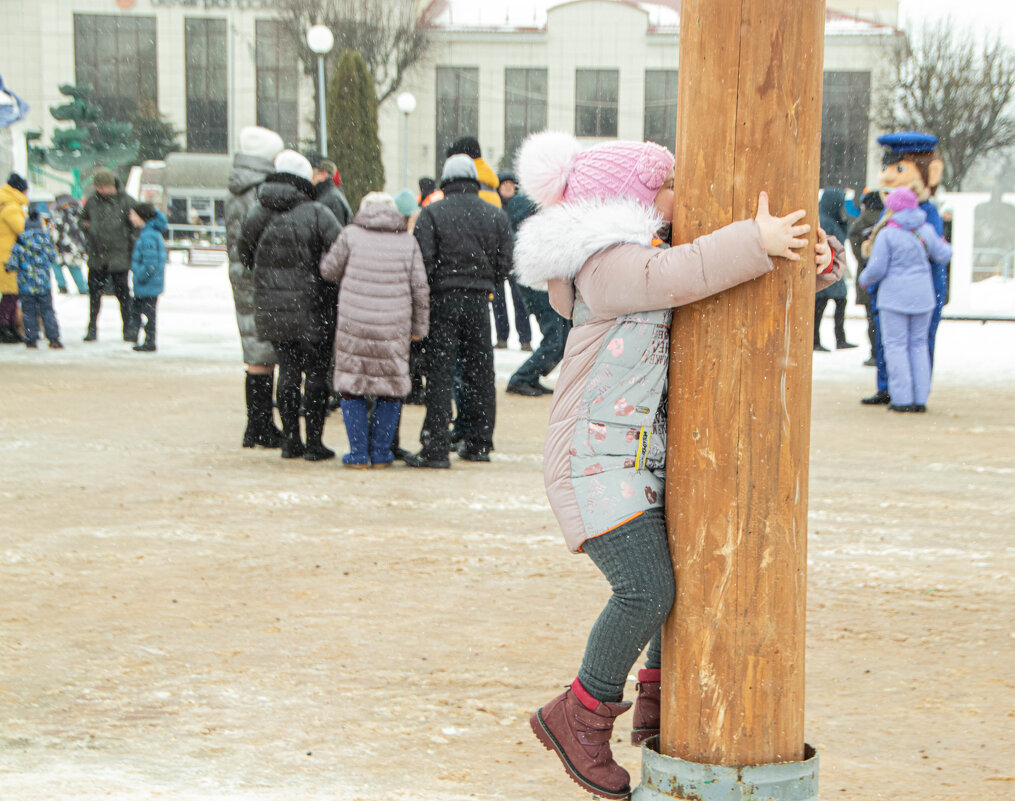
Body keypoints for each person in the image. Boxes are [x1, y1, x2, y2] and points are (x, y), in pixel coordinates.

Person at [511, 130, 839, 800]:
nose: (679, 194)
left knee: (674, 580)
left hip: (628, 460)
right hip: (590, 462)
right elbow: (681, 272)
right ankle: (578, 713)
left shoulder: (636, 256)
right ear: (624, 200)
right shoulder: (603, 262)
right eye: (665, 184)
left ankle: (657, 694)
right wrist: (754, 240)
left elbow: (706, 281)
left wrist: (812, 259)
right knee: (645, 590)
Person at [406, 154, 513, 468]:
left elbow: (422, 261)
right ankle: (479, 443)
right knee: (480, 371)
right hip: (479, 300)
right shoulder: (495, 215)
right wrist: (488, 282)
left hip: (443, 299)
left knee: (440, 372)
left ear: (445, 180)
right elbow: (506, 260)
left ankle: (436, 445)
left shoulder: (431, 213)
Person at [239, 150, 341, 461]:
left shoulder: (257, 212)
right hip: (315, 305)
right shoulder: (318, 213)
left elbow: (245, 255)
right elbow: (339, 252)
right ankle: (314, 443)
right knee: (317, 375)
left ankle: (290, 441)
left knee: (287, 371)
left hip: (272, 306)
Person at [319, 192, 429, 468]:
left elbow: (328, 271)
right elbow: (420, 288)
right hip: (393, 326)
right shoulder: (407, 241)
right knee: (390, 387)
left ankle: (357, 453)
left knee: (351, 387)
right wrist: (419, 327)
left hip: (354, 324)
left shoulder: (350, 235)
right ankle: (380, 453)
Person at [861, 131, 945, 406]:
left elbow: (880, 261)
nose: (886, 176)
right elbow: (941, 252)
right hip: (916, 293)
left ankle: (902, 396)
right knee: (907, 344)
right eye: (885, 167)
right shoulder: (910, 218)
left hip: (898, 292)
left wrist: (867, 279)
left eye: (898, 168)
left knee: (901, 344)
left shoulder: (921, 215)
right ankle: (901, 392)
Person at [226, 125, 286, 449]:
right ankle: (261, 425)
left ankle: (257, 423)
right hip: (257, 273)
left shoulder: (237, 186)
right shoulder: (259, 190)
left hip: (242, 271)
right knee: (263, 350)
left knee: (255, 348)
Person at [501, 171, 571, 396]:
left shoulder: (534, 216)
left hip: (545, 285)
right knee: (556, 339)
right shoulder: (525, 217)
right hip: (537, 287)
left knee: (563, 338)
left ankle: (530, 376)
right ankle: (521, 377)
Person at [80, 168, 138, 343]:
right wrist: (87, 227)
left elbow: (137, 224)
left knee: (123, 295)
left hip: (119, 257)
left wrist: (130, 243)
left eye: (103, 187)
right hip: (97, 256)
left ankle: (128, 329)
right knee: (94, 296)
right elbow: (81, 220)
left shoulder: (127, 201)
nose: (100, 190)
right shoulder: (92, 202)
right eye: (98, 187)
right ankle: (92, 329)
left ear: (111, 186)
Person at [5, 209, 62, 349]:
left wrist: (8, 267)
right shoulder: (46, 240)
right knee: (47, 311)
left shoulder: (20, 242)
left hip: (25, 285)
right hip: (43, 285)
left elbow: (13, 263)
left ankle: (31, 339)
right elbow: (53, 258)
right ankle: (53, 338)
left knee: (28, 312)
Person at [494, 171, 534, 352]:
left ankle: (525, 339)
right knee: (498, 301)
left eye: (511, 184)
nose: (508, 188)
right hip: (498, 259)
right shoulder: (495, 207)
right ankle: (502, 337)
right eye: (504, 184)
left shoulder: (523, 207)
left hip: (517, 260)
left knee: (520, 301)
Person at [814, 187, 856, 351]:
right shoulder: (825, 221)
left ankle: (838, 339)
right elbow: (837, 240)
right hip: (827, 270)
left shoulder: (832, 218)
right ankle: (818, 340)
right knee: (821, 307)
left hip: (833, 270)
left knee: (836, 304)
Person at [848, 189, 884, 366]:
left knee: (872, 318)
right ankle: (885, 353)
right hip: (886, 278)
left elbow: (855, 247)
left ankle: (874, 353)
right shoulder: (887, 219)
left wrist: (865, 260)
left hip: (866, 276)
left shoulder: (860, 222)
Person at [128, 203, 167, 353]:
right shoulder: (148, 233)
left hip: (147, 284)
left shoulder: (149, 235)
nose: (130, 218)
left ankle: (149, 341)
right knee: (142, 311)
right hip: (148, 283)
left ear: (141, 217)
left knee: (148, 313)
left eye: (133, 214)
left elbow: (151, 262)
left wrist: (140, 275)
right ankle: (143, 338)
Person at [0, 172, 29, 343]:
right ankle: (5, 327)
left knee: (11, 294)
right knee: (11, 295)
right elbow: (22, 229)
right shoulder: (11, 207)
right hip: (8, 257)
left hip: (6, 256)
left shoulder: (5, 204)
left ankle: (10, 327)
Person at [50, 194, 89, 294]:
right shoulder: (79, 212)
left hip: (62, 245)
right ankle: (82, 288)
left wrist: (53, 242)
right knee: (75, 267)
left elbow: (56, 232)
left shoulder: (59, 214)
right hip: (76, 245)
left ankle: (62, 286)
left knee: (56, 264)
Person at [309, 154, 353, 228]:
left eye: (312, 173)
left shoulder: (331, 199)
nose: (308, 177)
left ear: (323, 174)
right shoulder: (328, 195)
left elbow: (337, 235)